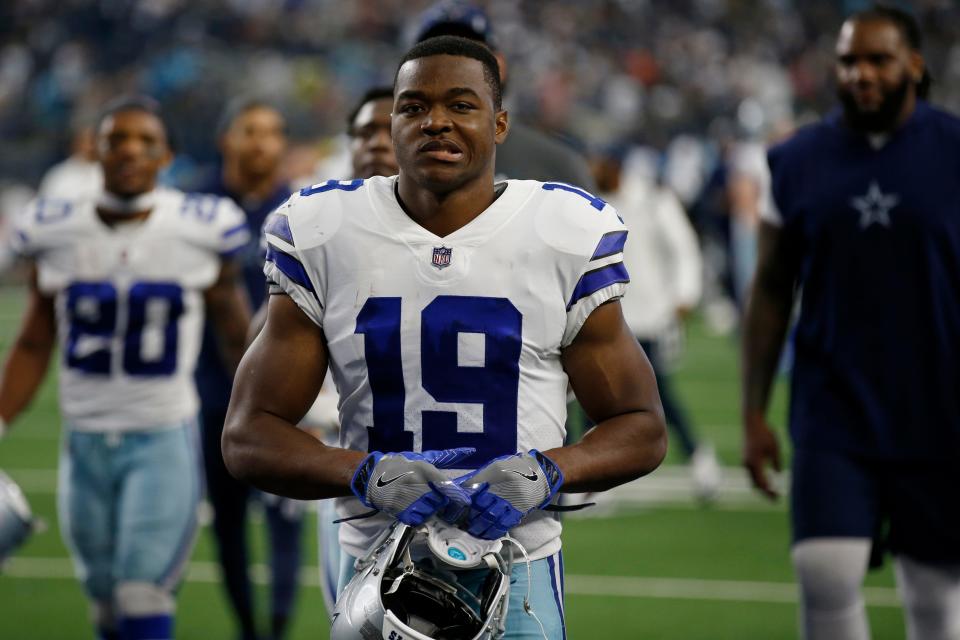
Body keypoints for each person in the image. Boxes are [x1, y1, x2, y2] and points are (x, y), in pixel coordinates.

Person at [222, 35, 667, 638]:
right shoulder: (327, 231)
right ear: (392, 122)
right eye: (413, 107)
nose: (435, 121)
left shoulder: (563, 234)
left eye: (461, 105)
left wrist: (549, 472)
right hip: (377, 563)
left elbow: (641, 425)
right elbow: (248, 436)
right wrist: (363, 473)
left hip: (518, 567)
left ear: (501, 123)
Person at [741, 7, 960, 640]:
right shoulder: (797, 160)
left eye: (877, 60)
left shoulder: (954, 149)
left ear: (914, 65)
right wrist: (754, 413)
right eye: (847, 61)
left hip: (942, 410)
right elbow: (773, 291)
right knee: (825, 572)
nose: (859, 74)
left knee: (935, 593)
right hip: (834, 404)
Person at [0, 95, 251, 640]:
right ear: (96, 151)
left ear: (167, 156)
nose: (130, 151)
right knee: (105, 601)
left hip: (161, 436)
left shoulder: (199, 224)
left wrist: (268, 417)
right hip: (83, 439)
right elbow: (34, 341)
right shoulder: (56, 227)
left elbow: (238, 336)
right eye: (117, 140)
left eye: (146, 142)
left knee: (143, 593)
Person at [192, 97, 301, 640]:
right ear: (225, 139)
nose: (262, 142)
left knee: (286, 518)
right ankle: (247, 631)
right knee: (228, 520)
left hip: (287, 392)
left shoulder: (302, 208)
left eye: (273, 131)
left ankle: (276, 630)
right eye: (250, 130)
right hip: (209, 386)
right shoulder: (192, 206)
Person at [313, 85, 400, 617]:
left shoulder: (470, 228)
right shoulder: (319, 228)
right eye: (364, 132)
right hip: (353, 466)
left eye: (389, 128)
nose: (377, 143)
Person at [592, 148, 720, 502]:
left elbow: (683, 249)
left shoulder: (652, 199)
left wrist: (683, 297)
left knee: (655, 393)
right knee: (590, 393)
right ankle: (591, 477)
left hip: (650, 316)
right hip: (607, 316)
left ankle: (697, 455)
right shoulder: (592, 200)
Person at [413, 0, 596, 191]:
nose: (452, 64)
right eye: (436, 51)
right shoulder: (388, 160)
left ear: (499, 66)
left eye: (469, 51)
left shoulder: (557, 166)